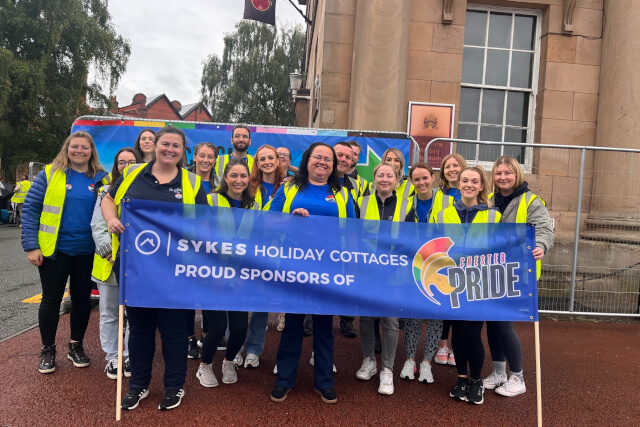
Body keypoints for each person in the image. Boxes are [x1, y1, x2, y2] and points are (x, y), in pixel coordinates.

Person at [101, 126, 208, 411]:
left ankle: (174, 387)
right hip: (135, 267)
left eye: (176, 146)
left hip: (175, 270)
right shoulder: (133, 173)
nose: (170, 150)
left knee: (173, 330)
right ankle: (138, 385)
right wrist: (111, 220)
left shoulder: (193, 182)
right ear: (155, 146)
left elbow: (204, 222)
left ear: (182, 151)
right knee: (140, 329)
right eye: (165, 144)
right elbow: (108, 200)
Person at [268, 142, 355, 404]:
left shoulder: (341, 194)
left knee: (324, 327)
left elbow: (351, 231)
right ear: (307, 160)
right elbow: (267, 219)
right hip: (294, 267)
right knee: (293, 325)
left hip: (328, 268)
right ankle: (284, 379)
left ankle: (324, 381)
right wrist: (290, 218)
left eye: (328, 159)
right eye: (318, 157)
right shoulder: (290, 188)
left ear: (334, 166)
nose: (323, 162)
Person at [21, 131, 108, 374]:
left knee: (81, 300)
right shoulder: (49, 174)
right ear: (66, 148)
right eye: (75, 146)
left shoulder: (102, 178)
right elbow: (30, 210)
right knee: (51, 300)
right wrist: (31, 246)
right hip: (54, 251)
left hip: (88, 252)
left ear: (92, 151)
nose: (79, 151)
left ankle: (76, 346)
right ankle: (48, 349)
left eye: (85, 147)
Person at [483, 156, 554, 397]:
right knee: (492, 325)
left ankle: (518, 377)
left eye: (508, 173)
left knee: (503, 325)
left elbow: (544, 229)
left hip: (517, 273)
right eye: (498, 173)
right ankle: (499, 372)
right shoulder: (489, 201)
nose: (503, 177)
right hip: (491, 270)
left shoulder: (531, 201)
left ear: (517, 175)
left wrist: (542, 245)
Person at [431, 166, 500, 405]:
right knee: (457, 334)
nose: (469, 184)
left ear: (481, 187)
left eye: (474, 181)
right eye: (465, 181)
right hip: (450, 281)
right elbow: (431, 242)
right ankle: (461, 378)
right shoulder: (442, 214)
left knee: (472, 334)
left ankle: (476, 380)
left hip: (477, 282)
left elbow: (501, 247)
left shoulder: (494, 216)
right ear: (458, 185)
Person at [197, 158, 260, 387]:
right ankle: (204, 365)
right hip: (212, 273)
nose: (239, 180)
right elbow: (199, 236)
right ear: (225, 177)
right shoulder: (211, 199)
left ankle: (229, 361)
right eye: (234, 175)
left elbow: (256, 241)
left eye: (243, 176)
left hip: (240, 276)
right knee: (216, 327)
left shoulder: (253, 205)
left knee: (240, 327)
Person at [355, 163, 414, 395]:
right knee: (367, 318)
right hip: (367, 271)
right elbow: (355, 235)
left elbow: (410, 240)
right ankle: (369, 360)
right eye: (381, 175)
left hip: (393, 272)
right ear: (374, 178)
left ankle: (387, 369)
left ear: (397, 180)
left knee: (390, 320)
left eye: (390, 175)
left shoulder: (406, 205)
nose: (385, 179)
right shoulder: (362, 202)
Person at [90, 147, 140, 379]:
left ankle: (129, 355)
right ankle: (112, 356)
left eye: (131, 161)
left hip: (137, 266)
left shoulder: (144, 191)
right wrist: (111, 254)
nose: (126, 166)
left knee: (132, 313)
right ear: (115, 166)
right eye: (121, 162)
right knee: (110, 312)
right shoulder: (104, 192)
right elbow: (98, 227)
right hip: (109, 264)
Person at [240, 145, 285, 369]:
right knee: (238, 300)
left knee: (261, 302)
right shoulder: (248, 186)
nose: (266, 162)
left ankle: (254, 349)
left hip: (274, 251)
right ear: (256, 163)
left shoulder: (288, 186)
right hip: (247, 248)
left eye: (271, 158)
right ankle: (235, 346)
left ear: (278, 161)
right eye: (262, 159)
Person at [400, 163, 443, 383]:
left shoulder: (446, 201)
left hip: (438, 264)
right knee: (412, 315)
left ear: (433, 177)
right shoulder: (406, 203)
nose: (421, 183)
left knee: (435, 316)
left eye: (425, 178)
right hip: (413, 264)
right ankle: (410, 359)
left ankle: (427, 362)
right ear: (411, 181)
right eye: (416, 179)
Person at [187, 142, 220, 359]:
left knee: (210, 288)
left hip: (214, 245)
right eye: (202, 155)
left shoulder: (220, 183)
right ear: (195, 157)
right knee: (188, 292)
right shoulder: (185, 180)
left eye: (210, 156)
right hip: (189, 243)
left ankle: (207, 333)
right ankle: (189, 338)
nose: (206, 160)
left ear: (215, 160)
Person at [433, 153, 467, 366]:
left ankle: (456, 346)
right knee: (444, 300)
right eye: (448, 166)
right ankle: (442, 344)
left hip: (465, 256)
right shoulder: (438, 194)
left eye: (456, 165)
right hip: (443, 254)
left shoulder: (473, 189)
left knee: (460, 302)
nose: (452, 169)